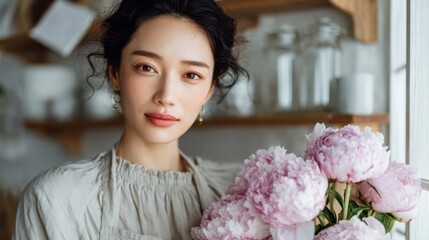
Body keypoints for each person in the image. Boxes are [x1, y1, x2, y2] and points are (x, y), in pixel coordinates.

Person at [12, 0, 248, 239]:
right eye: (146, 68)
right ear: (114, 73)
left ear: (209, 89)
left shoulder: (239, 192)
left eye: (191, 75)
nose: (166, 96)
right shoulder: (57, 198)